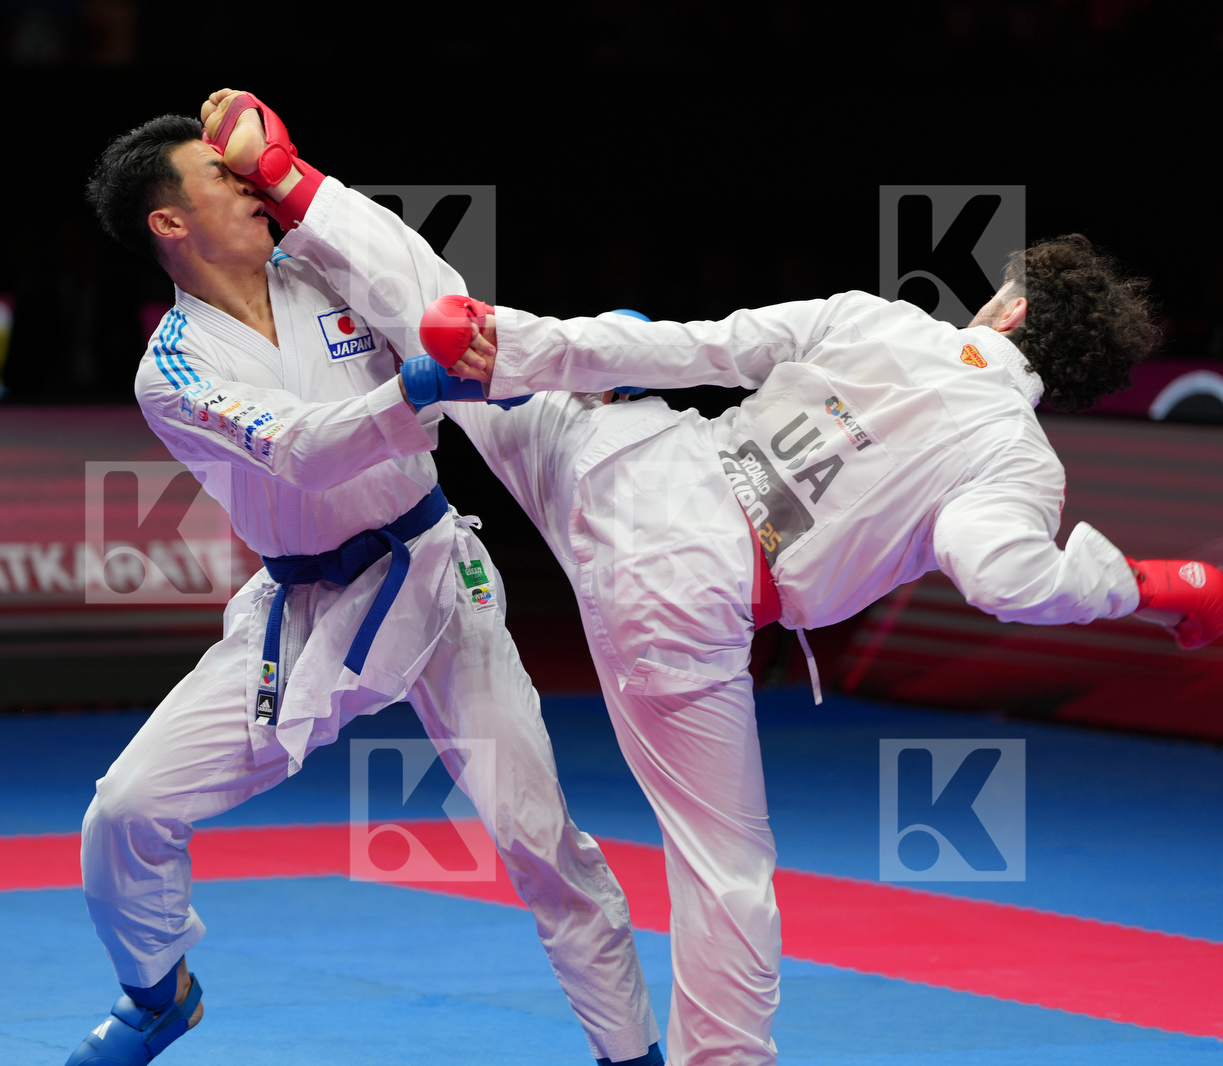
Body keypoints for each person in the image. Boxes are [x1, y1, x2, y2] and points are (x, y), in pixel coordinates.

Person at [407, 237, 1223, 1064]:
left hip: (624, 466)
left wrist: (522, 347)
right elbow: (1006, 577)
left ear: (1010, 311)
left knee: (445, 329)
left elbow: (690, 346)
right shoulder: (1017, 458)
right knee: (725, 872)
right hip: (681, 599)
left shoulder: (877, 319)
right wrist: (1150, 587)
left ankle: (301, 194)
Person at [65, 91, 663, 1066]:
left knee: (537, 837)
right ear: (169, 221)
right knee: (126, 810)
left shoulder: (325, 265)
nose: (255, 187)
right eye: (228, 178)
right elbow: (300, 450)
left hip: (435, 581)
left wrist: (572, 357)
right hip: (298, 616)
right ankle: (157, 990)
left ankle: (630, 1053)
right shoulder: (171, 368)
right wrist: (415, 388)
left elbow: (436, 297)